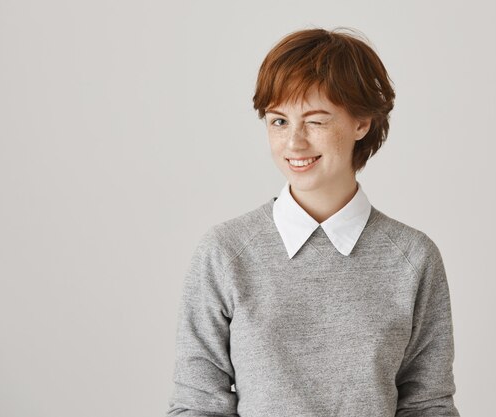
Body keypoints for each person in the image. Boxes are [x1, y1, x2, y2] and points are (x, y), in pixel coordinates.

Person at [165, 27, 460, 417]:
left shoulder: (413, 258)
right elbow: (197, 404)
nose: (294, 143)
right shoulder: (224, 252)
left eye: (316, 121)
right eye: (279, 121)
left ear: (361, 123)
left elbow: (428, 405)